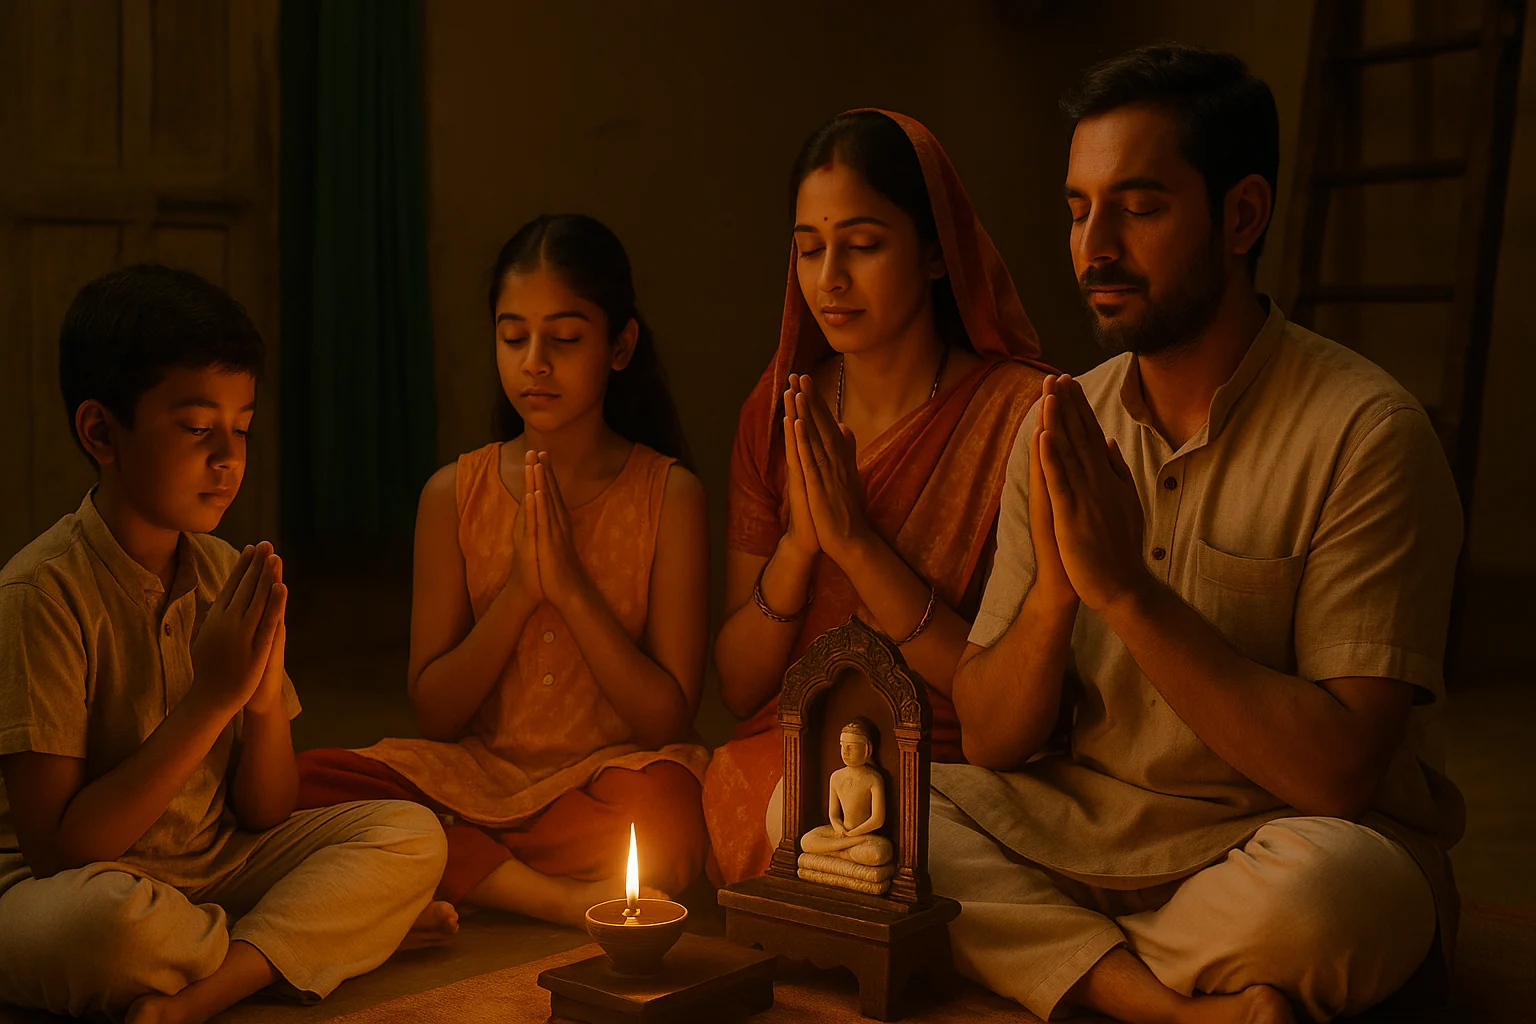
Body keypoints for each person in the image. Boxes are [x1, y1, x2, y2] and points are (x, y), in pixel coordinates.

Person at [932, 45, 1465, 1024]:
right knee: (854, 821)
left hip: (1276, 847)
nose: (1094, 248)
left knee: (1341, 899)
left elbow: (1338, 772)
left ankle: (1066, 963)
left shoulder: (1366, 432)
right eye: (1078, 209)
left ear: (1241, 216)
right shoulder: (1061, 424)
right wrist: (1057, 592)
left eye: (1137, 207)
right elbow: (991, 735)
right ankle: (1169, 1004)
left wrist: (1130, 594)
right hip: (1090, 829)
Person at [0, 266, 453, 1024]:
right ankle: (309, 945)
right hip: (76, 890)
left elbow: (266, 811)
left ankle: (218, 981)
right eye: (196, 427)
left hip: (215, 872)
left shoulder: (224, 571)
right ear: (101, 432)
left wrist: (263, 697)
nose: (228, 457)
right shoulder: (41, 596)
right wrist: (211, 700)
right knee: (107, 930)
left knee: (409, 834)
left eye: (241, 428)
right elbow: (60, 853)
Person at [296, 215, 711, 928]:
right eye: (513, 336)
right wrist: (519, 592)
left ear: (620, 345)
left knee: (672, 815)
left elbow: (666, 718)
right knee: (299, 787)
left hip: (605, 783)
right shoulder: (453, 495)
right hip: (473, 778)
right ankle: (545, 895)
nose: (535, 362)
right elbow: (436, 710)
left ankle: (440, 867)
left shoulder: (669, 496)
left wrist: (571, 590)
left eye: (565, 338)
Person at [703, 109, 1054, 885]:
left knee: (918, 843)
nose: (830, 278)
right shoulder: (777, 415)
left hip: (958, 763)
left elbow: (1007, 696)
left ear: (936, 252)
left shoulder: (1020, 418)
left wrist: (859, 546)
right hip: (796, 755)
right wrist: (800, 545)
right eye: (808, 250)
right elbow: (739, 688)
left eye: (862, 246)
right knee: (777, 809)